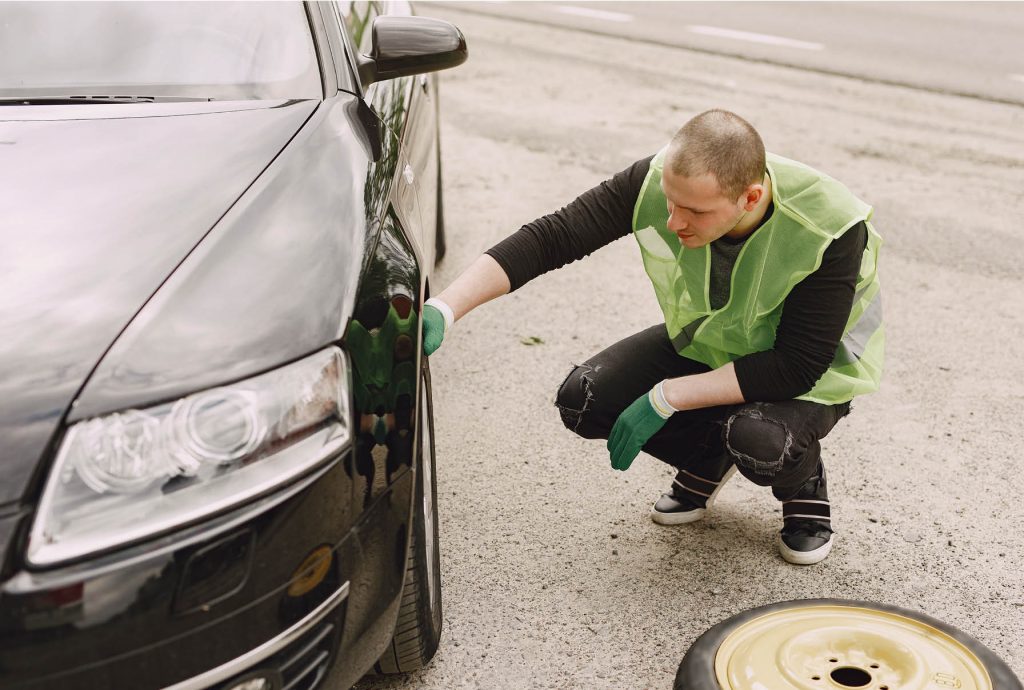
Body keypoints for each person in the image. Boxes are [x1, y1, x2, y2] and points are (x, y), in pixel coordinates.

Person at [421, 109, 883, 565]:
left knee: (760, 441)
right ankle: (708, 460)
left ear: (750, 197)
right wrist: (446, 306)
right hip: (713, 344)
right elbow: (552, 237)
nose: (674, 221)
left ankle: (802, 486)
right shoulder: (663, 179)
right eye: (670, 202)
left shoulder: (828, 226)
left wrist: (668, 396)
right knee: (584, 400)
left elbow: (796, 366)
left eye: (696, 212)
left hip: (809, 376)